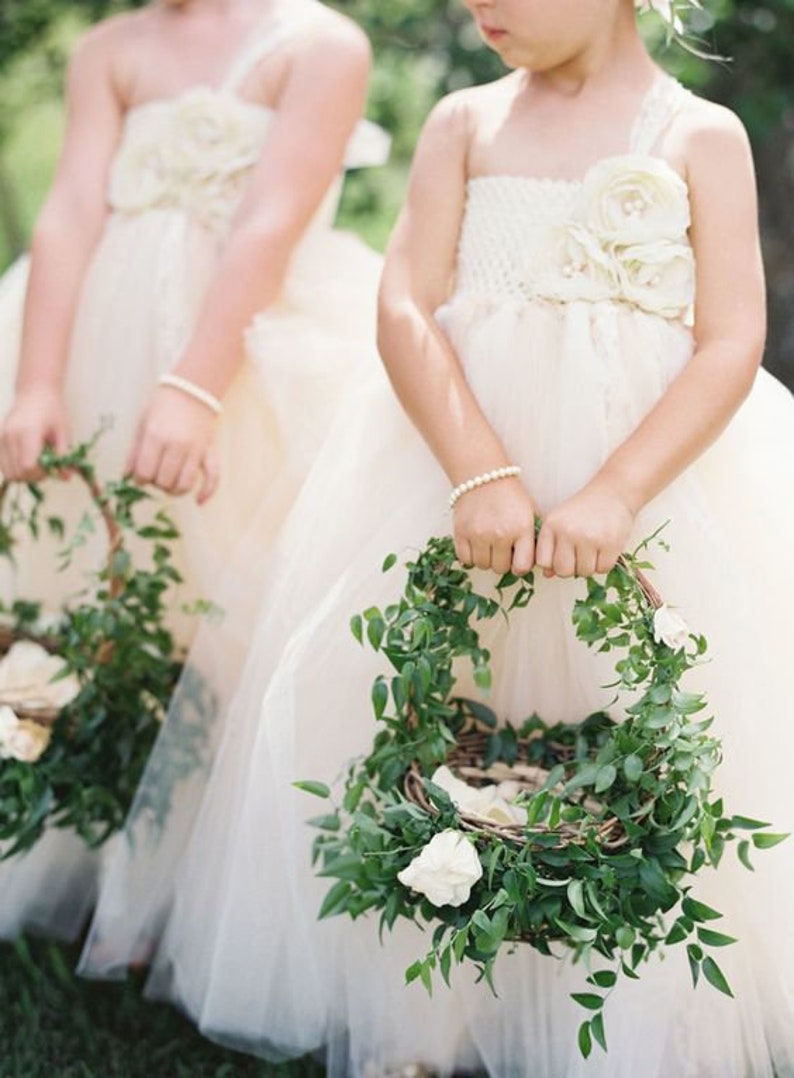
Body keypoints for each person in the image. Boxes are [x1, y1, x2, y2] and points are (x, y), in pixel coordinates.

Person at [82, 1, 794, 1074]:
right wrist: (479, 470)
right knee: (442, 718)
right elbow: (405, 302)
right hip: (454, 459)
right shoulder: (465, 120)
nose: (479, 4)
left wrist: (612, 491)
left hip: (644, 475)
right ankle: (422, 1011)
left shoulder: (698, 135)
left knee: (624, 725)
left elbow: (732, 335)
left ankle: (630, 1018)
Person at [0, 0, 388, 941]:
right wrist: (38, 381)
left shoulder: (320, 45)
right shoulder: (112, 48)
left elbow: (270, 221)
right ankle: (97, 851)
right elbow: (68, 214)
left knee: (232, 615)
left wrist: (194, 387)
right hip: (101, 336)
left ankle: (220, 898)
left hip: (242, 349)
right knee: (100, 584)